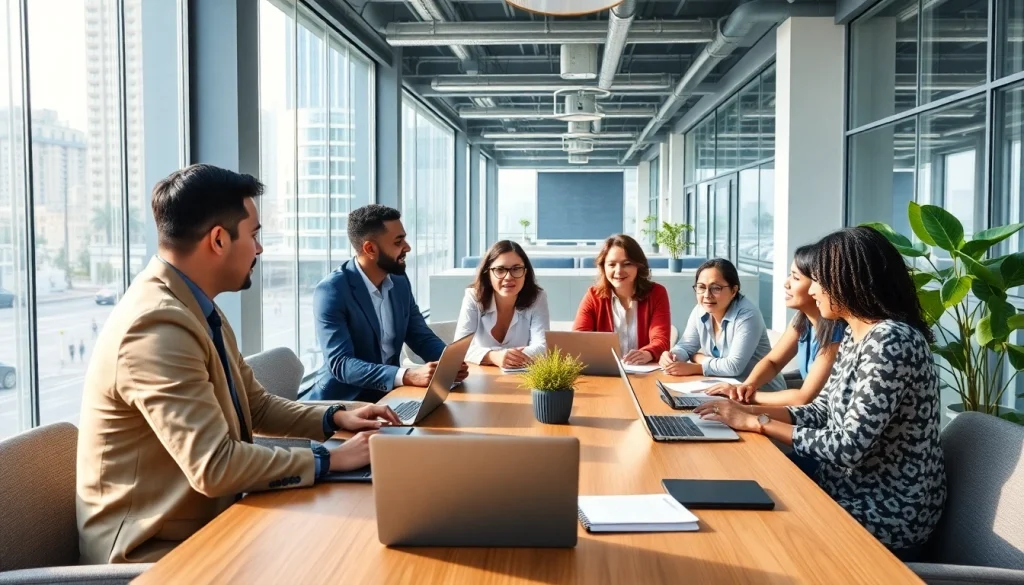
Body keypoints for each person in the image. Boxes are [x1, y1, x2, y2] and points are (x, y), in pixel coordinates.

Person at [77, 164, 400, 564]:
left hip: (212, 527)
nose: (260, 249)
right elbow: (215, 466)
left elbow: (258, 406)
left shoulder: (193, 305)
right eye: (255, 234)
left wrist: (336, 417)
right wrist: (330, 458)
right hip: (152, 557)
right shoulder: (155, 325)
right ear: (218, 239)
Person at [694, 226, 946, 559]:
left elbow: (847, 446)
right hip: (845, 488)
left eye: (820, 280)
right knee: (734, 490)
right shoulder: (859, 336)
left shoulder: (891, 341)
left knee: (749, 531)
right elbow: (822, 410)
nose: (811, 289)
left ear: (850, 280)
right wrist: (738, 413)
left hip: (886, 511)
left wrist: (758, 422)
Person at [310, 204, 467, 402]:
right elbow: (341, 364)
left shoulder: (399, 281)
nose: (407, 247)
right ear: (370, 248)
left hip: (390, 396)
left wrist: (448, 364)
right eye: (398, 242)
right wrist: (407, 375)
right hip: (343, 404)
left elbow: (419, 336)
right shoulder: (332, 291)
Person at [705, 244, 845, 405]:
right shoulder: (801, 320)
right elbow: (773, 362)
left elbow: (804, 398)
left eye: (796, 278)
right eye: (789, 275)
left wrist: (744, 396)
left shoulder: (837, 332)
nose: (786, 283)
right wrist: (747, 386)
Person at [660, 258, 784, 390]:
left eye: (716, 288)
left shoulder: (747, 315)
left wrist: (698, 362)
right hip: (724, 388)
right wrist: (672, 356)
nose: (707, 295)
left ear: (734, 290)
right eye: (701, 287)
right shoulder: (700, 309)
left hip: (762, 394)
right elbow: (686, 346)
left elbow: (733, 367)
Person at [572, 234, 670, 365]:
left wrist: (647, 353)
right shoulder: (593, 296)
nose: (618, 271)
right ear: (603, 267)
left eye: (627, 264)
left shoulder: (657, 293)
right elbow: (578, 339)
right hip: (605, 372)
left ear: (638, 266)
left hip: (644, 372)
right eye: (612, 264)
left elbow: (661, 340)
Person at [454, 240, 549, 368]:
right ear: (488, 274)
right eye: (500, 270)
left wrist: (506, 356)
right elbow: (459, 348)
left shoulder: (537, 298)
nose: (509, 277)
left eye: (516, 269)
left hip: (522, 379)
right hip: (480, 378)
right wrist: (494, 356)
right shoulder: (473, 297)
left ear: (525, 273)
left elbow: (542, 347)